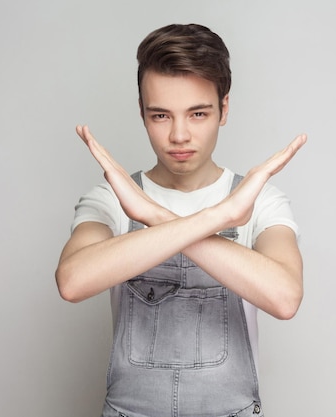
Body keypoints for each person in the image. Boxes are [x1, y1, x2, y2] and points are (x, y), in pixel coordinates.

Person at [56, 23, 307, 417]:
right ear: (141, 112)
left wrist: (155, 217)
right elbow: (72, 282)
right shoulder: (112, 197)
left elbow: (285, 297)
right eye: (160, 115)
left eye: (198, 113)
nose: (179, 135)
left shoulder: (261, 202)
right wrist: (220, 217)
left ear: (224, 110)